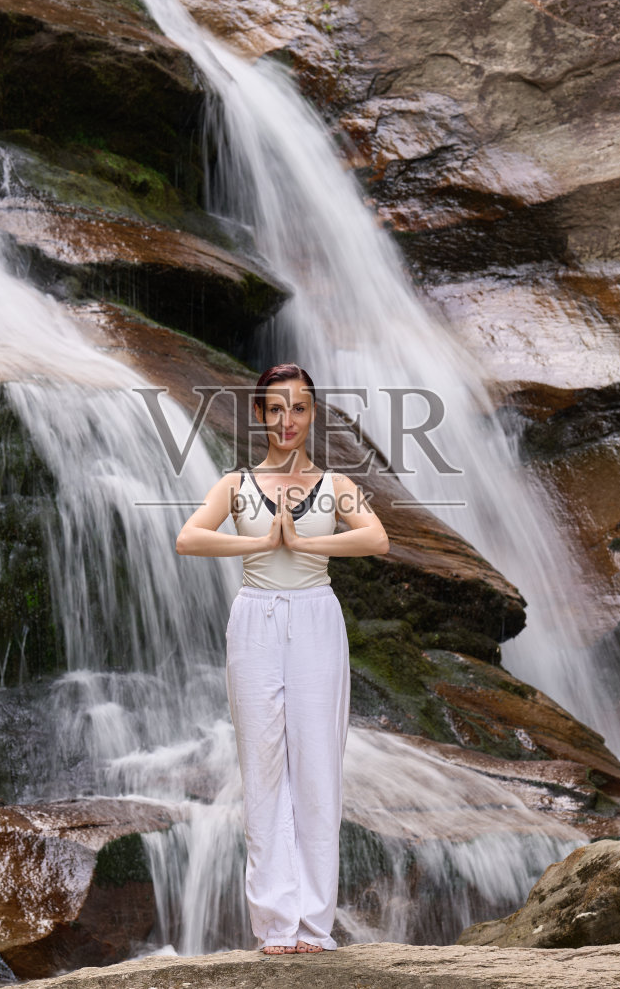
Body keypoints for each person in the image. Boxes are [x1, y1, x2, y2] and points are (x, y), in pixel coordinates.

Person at [175, 363, 391, 956]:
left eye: (298, 408)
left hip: (317, 617)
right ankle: (276, 926)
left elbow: (376, 539)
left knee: (318, 770)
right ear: (260, 415)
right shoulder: (236, 483)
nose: (287, 419)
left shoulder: (336, 484)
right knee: (263, 769)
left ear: (312, 414)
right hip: (255, 619)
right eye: (276, 408)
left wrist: (305, 543)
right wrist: (261, 542)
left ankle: (315, 929)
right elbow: (188, 538)